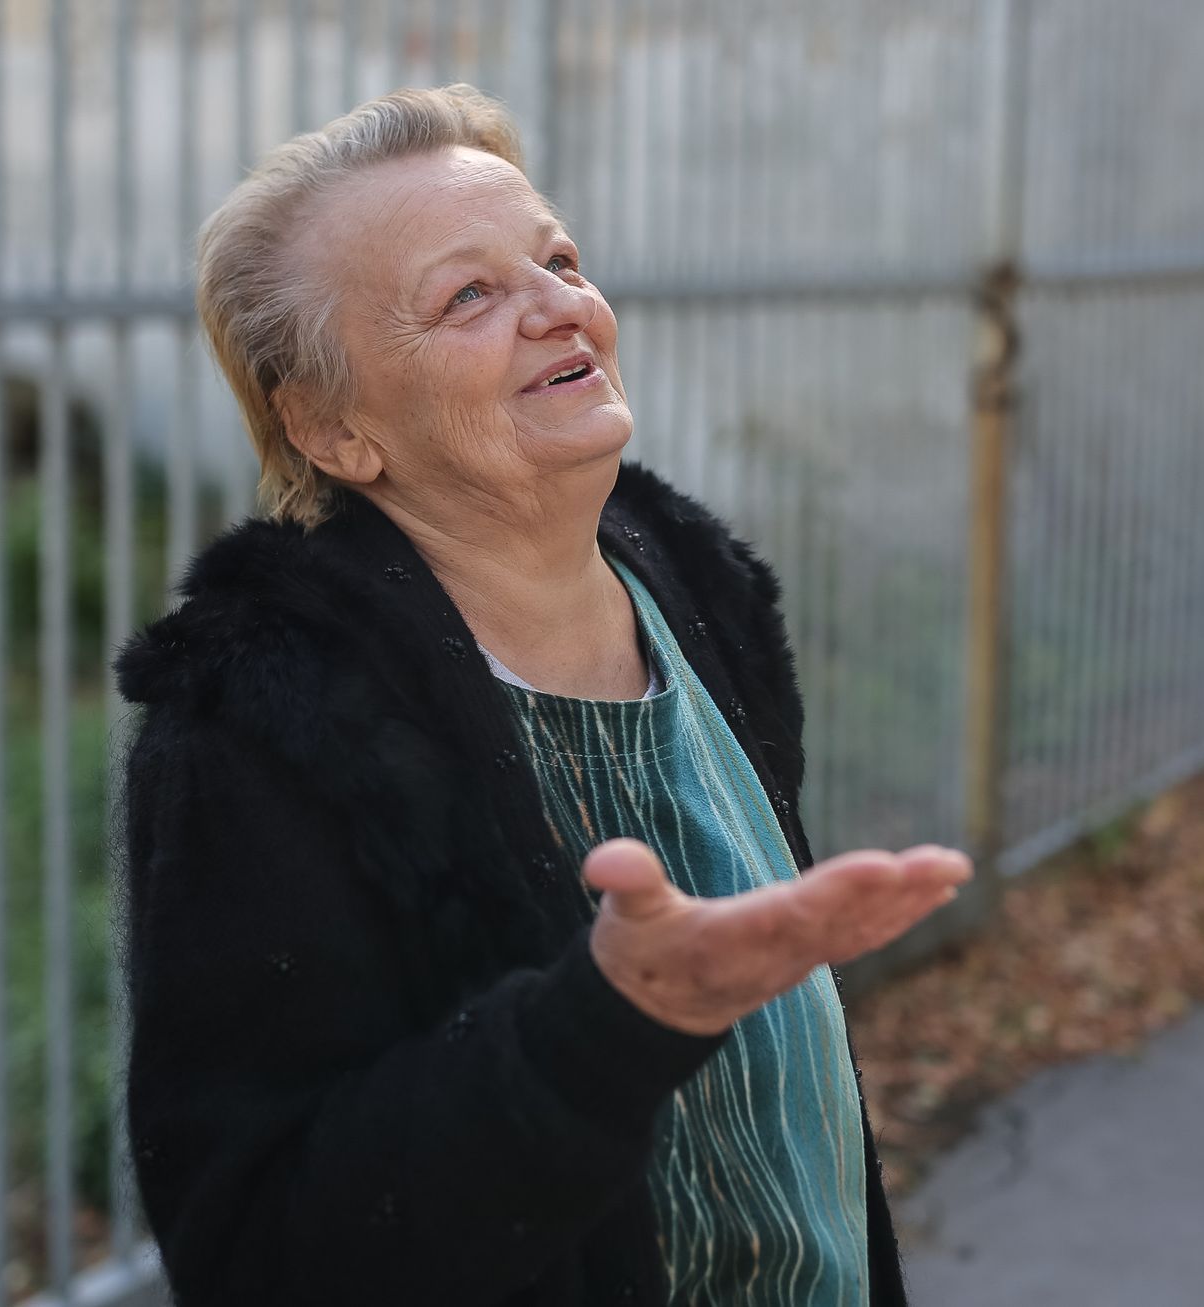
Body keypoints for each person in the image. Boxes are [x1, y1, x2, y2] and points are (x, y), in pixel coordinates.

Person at [113, 83, 973, 1307]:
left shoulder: (699, 592)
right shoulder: (261, 730)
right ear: (333, 427)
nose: (563, 306)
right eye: (469, 295)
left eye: (559, 259)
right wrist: (607, 1023)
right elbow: (263, 1252)